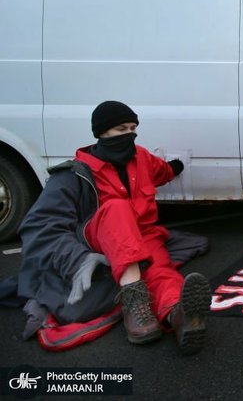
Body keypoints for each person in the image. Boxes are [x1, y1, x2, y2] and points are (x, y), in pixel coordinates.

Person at [13, 101, 211, 354]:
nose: (129, 134)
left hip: (144, 237)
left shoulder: (141, 157)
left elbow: (162, 172)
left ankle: (178, 316)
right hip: (100, 241)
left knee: (161, 271)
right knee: (118, 208)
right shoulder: (74, 174)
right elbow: (39, 226)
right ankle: (134, 301)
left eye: (133, 128)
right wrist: (78, 259)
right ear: (101, 133)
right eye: (121, 129)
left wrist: (175, 167)